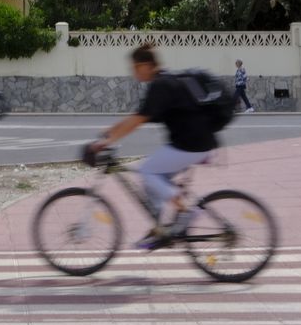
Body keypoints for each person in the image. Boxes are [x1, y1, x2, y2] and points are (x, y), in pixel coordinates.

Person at [87, 44, 219, 250]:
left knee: (147, 170)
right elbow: (138, 116)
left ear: (146, 65)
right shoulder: (162, 82)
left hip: (191, 145)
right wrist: (108, 133)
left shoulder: (161, 85)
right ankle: (160, 229)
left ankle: (186, 211)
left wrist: (106, 141)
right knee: (153, 181)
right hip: (193, 143)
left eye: (135, 68)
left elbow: (138, 120)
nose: (133, 73)